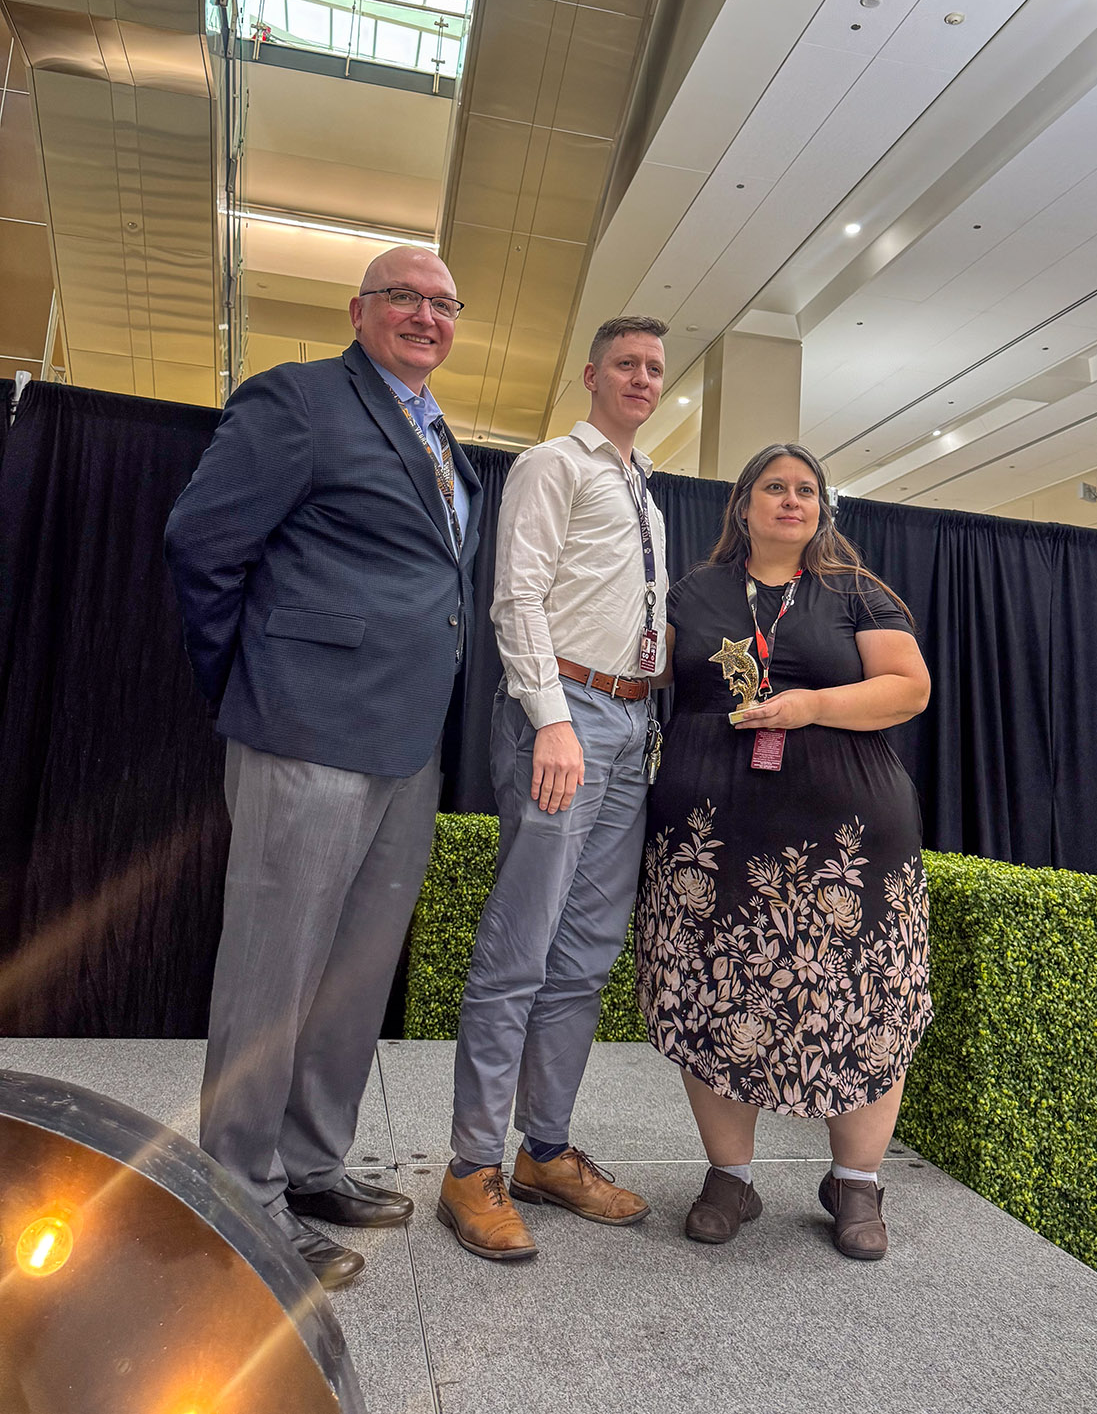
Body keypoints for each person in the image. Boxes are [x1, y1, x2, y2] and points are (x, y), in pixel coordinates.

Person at [165, 245, 480, 1290]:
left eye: (443, 303)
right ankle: (237, 1193)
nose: (425, 316)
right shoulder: (299, 400)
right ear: (358, 310)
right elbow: (202, 542)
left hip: (406, 744)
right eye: (404, 297)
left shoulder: (440, 436)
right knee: (273, 971)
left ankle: (309, 1165)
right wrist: (255, 682)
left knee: (353, 975)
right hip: (303, 728)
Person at [636, 443, 932, 1259]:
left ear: (821, 508)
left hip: (848, 846)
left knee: (860, 1002)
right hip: (709, 843)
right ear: (743, 504)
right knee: (715, 998)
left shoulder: (856, 592)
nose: (791, 500)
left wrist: (809, 707)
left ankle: (855, 1184)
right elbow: (642, 672)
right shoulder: (693, 593)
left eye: (806, 489)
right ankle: (729, 1177)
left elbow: (907, 688)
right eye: (774, 487)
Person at [439, 316, 669, 1261]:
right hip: (565, 712)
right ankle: (470, 1169)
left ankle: (544, 1152)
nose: (642, 378)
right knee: (520, 949)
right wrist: (551, 719)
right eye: (626, 364)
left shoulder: (645, 490)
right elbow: (516, 597)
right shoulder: (553, 465)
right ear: (590, 375)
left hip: (632, 722)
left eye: (654, 368)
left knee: (583, 958)